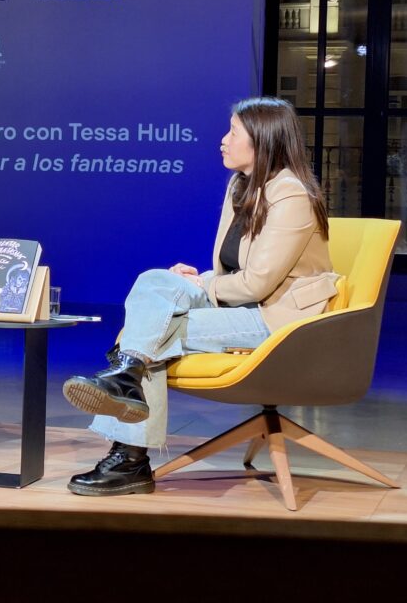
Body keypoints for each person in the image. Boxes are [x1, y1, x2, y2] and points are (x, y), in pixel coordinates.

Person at [62, 97, 337, 496]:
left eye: (233, 132)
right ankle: (127, 381)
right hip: (240, 303)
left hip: (276, 318)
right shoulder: (241, 186)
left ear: (262, 140)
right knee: (155, 281)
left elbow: (258, 284)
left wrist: (204, 285)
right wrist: (201, 278)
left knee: (149, 336)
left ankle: (130, 454)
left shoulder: (291, 196)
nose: (223, 140)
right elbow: (235, 272)